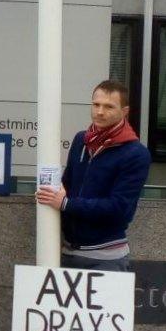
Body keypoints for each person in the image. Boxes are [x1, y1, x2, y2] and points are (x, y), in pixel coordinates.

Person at [35, 80, 151, 272]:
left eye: (108, 107)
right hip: (68, 252)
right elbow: (67, 185)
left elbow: (120, 208)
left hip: (107, 259)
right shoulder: (81, 140)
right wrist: (51, 192)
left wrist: (66, 203)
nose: (99, 111)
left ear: (125, 111)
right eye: (96, 104)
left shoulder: (136, 153)